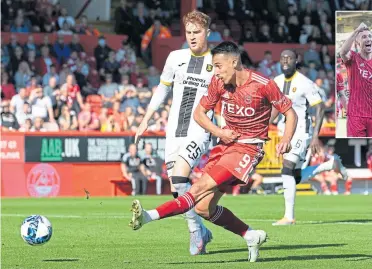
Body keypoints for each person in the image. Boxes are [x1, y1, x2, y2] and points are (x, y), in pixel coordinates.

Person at [130, 41, 298, 262]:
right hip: (225, 146)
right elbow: (199, 113)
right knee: (202, 208)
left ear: (234, 61)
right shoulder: (218, 83)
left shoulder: (263, 84)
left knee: (198, 188)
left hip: (248, 148)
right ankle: (251, 235)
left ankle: (147, 217)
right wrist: (219, 131)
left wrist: (286, 139)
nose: (216, 71)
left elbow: (290, 112)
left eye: (219, 66)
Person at [134, 10, 215, 256]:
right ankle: (201, 229)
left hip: (200, 128)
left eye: (197, 32)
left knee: (180, 178)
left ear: (207, 33)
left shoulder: (218, 61)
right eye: (188, 32)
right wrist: (145, 119)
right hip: (174, 128)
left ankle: (194, 234)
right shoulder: (175, 57)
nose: (192, 37)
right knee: (175, 186)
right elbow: (162, 89)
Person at [271, 49, 325, 225]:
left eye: (289, 58)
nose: (285, 60)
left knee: (286, 169)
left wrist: (316, 136)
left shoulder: (305, 83)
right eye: (283, 57)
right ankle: (329, 166)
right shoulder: (276, 82)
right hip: (284, 131)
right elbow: (273, 108)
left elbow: (320, 107)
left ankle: (289, 217)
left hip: (302, 129)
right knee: (294, 175)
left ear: (296, 60)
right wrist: (263, 125)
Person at [339, 23, 372, 137]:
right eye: (364, 37)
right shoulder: (353, 58)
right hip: (356, 116)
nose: (368, 39)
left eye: (369, 36)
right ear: (357, 43)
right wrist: (356, 31)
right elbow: (342, 52)